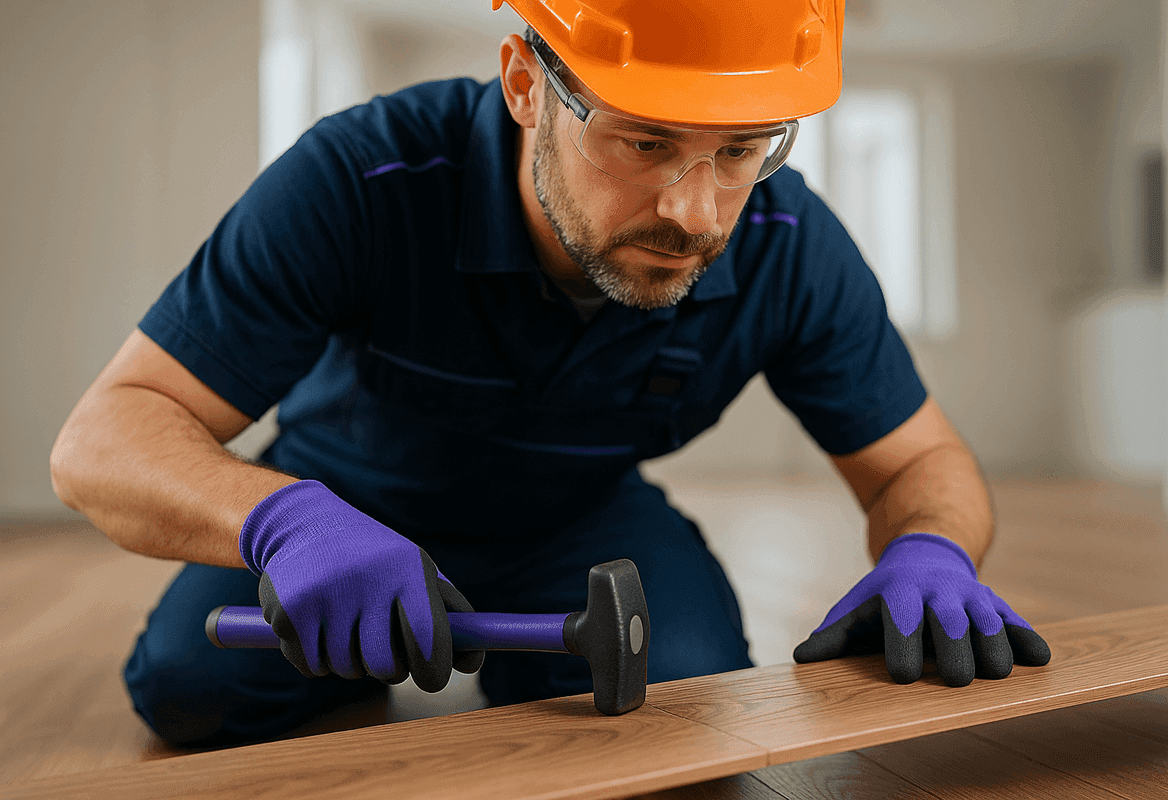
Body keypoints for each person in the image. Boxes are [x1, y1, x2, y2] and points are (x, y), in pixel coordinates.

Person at [49, 0, 1050, 748]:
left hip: (582, 526)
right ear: (527, 85)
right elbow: (103, 438)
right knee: (190, 690)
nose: (697, 212)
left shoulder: (791, 245)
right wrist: (287, 526)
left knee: (684, 701)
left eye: (742, 150)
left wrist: (933, 550)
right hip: (340, 510)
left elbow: (917, 460)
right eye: (645, 141)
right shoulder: (361, 178)